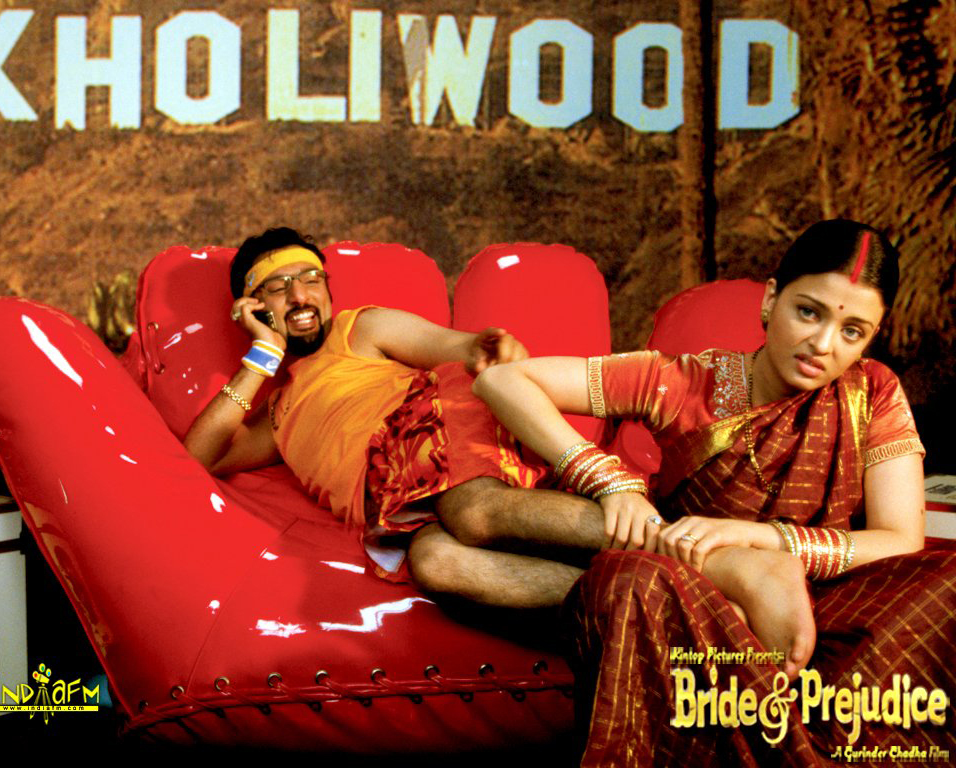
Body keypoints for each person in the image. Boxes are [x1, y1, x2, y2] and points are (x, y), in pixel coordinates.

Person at [473, 219, 956, 764]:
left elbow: (899, 539)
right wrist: (608, 480)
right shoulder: (686, 383)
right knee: (629, 582)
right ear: (771, 299)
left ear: (873, 335)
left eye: (852, 332)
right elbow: (501, 379)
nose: (822, 344)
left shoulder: (872, 392)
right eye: (808, 312)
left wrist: (765, 542)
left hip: (826, 606)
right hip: (691, 601)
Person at [184, 226, 614, 608]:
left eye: (311, 280)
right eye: (279, 288)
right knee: (436, 563)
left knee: (474, 513)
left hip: (429, 427)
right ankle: (625, 596)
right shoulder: (277, 415)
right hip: (397, 501)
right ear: (253, 308)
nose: (300, 296)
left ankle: (652, 534)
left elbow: (454, 348)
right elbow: (200, 457)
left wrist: (484, 349)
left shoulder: (359, 329)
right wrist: (262, 353)